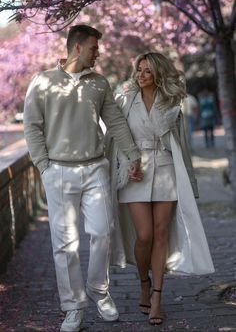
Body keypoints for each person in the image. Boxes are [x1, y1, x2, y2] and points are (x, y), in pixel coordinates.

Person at [23, 24, 141, 332]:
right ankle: (73, 307)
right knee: (66, 245)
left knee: (103, 231)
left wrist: (133, 154)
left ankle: (99, 292)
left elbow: (115, 122)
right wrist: (44, 165)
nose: (97, 53)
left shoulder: (99, 83)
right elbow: (32, 126)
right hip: (58, 171)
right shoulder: (43, 82)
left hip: (95, 168)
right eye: (93, 48)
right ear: (77, 48)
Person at [106, 52, 214, 326]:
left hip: (166, 169)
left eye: (147, 71)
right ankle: (144, 282)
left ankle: (156, 297)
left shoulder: (172, 102)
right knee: (144, 236)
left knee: (161, 234)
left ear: (158, 74)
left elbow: (182, 145)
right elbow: (117, 138)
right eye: (139, 70)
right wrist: (128, 163)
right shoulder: (124, 100)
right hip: (134, 171)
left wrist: (190, 180)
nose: (141, 75)